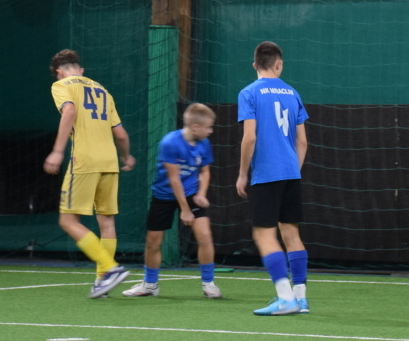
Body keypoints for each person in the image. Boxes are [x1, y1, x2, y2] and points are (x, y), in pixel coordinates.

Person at [43, 49, 135, 298]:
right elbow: (120, 134)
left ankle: (110, 269)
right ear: (81, 70)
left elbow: (69, 112)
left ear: (59, 72)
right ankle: (102, 281)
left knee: (68, 221)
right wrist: (127, 157)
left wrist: (57, 151)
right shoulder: (103, 91)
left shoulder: (61, 85)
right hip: (109, 161)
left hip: (84, 160)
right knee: (107, 221)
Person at [236, 41, 311, 316]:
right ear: (279, 64)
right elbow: (302, 142)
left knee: (264, 234)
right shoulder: (293, 93)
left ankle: (285, 298)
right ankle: (300, 299)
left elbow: (250, 138)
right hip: (291, 172)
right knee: (291, 233)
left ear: (255, 65)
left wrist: (242, 174)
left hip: (266, 174)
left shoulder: (248, 93)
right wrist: (293, 169)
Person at [122, 103, 223, 299]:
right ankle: (150, 285)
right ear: (195, 127)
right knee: (153, 241)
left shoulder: (204, 143)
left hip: (191, 192)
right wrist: (185, 210)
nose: (211, 131)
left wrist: (201, 194)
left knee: (204, 235)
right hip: (165, 194)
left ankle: (209, 284)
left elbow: (205, 171)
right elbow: (174, 178)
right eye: (208, 127)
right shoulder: (170, 142)